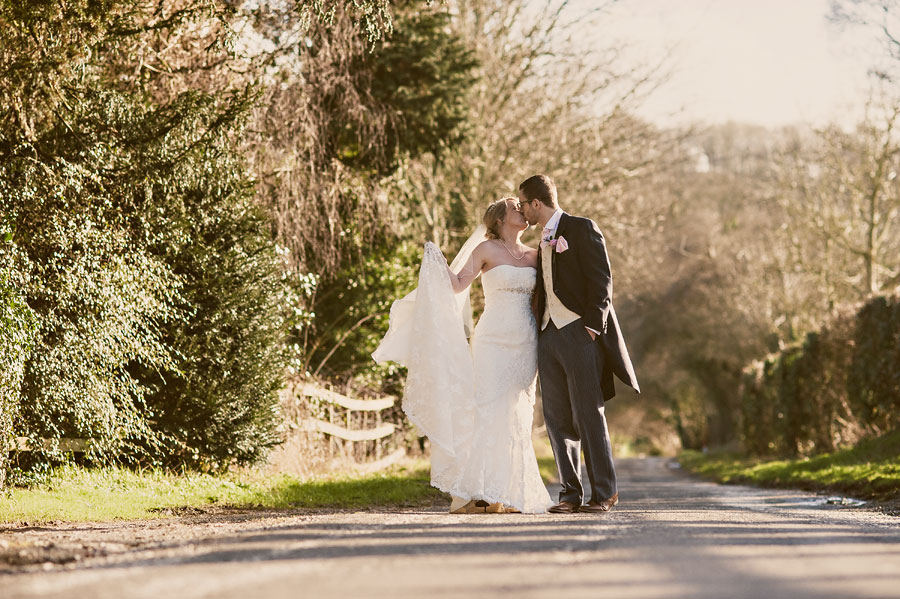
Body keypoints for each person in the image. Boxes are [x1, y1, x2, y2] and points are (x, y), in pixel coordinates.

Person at [374, 197, 552, 514]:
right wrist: (435, 261)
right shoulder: (485, 250)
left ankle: (509, 493)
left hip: (525, 341)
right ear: (499, 218)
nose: (522, 210)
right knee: (486, 409)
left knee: (517, 414)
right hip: (491, 341)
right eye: (514, 207)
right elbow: (457, 286)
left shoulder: (536, 255)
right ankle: (479, 492)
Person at [516, 174, 640, 514]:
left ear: (537, 203)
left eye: (524, 203)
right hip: (548, 335)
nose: (522, 209)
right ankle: (569, 494)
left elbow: (602, 281)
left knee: (589, 413)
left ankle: (603, 493)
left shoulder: (583, 228)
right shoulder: (541, 238)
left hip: (578, 331)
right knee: (557, 417)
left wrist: (591, 328)